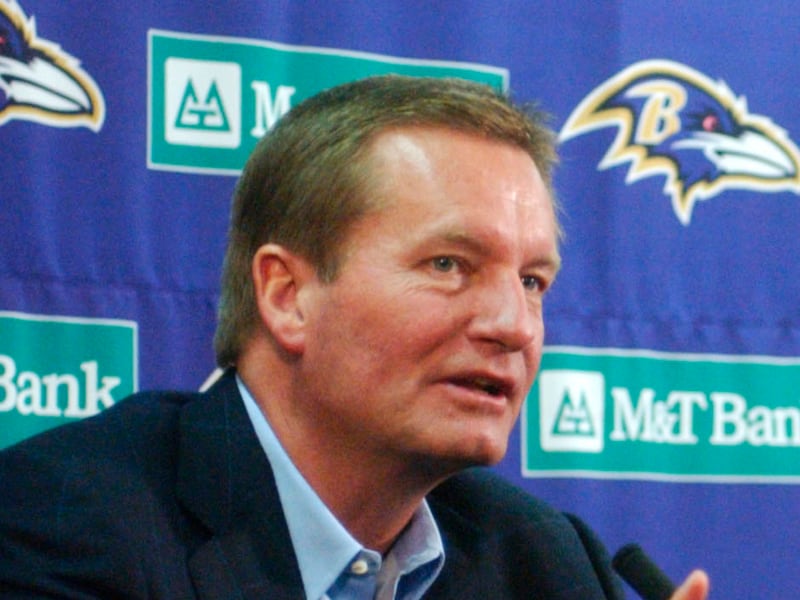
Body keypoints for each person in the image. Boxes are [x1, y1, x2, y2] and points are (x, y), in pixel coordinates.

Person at [0, 75, 708, 599]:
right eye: (448, 265)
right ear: (288, 296)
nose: (514, 326)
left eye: (532, 281)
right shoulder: (66, 522)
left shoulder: (542, 559)